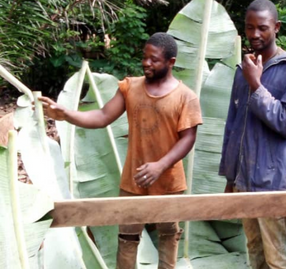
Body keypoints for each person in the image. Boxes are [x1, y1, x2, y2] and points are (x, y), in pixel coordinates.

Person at [39, 33, 203, 269]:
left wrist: (160, 166)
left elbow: (188, 139)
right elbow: (102, 116)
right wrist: (66, 115)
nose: (146, 63)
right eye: (145, 57)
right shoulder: (130, 87)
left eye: (154, 59)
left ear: (171, 62)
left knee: (168, 235)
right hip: (133, 181)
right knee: (127, 237)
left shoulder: (186, 97)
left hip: (169, 183)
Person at [219, 0, 286, 268]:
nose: (255, 34)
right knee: (255, 252)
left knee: (277, 258)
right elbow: (233, 127)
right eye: (249, 27)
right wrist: (230, 177)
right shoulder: (243, 69)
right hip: (245, 182)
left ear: (277, 27)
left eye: (262, 27)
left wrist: (257, 85)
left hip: (275, 182)